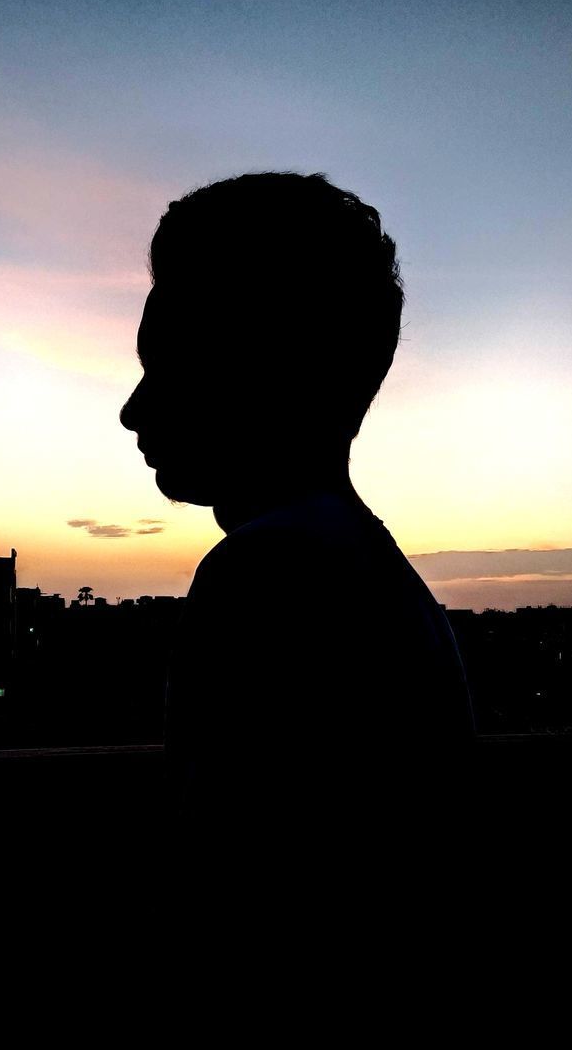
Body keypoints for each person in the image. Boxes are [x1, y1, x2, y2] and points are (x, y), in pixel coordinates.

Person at [120, 171, 475, 817]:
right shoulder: (359, 565)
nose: (132, 410)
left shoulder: (270, 572)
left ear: (260, 373)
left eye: (169, 369)